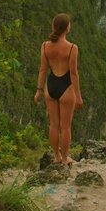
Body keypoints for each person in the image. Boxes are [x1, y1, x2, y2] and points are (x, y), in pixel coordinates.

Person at [34, 13, 83, 165]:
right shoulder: (72, 48)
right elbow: (74, 73)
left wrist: (39, 90)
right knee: (66, 127)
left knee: (53, 125)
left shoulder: (45, 46)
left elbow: (42, 70)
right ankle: (64, 158)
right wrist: (79, 96)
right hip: (66, 87)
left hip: (51, 86)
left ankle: (56, 156)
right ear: (67, 28)